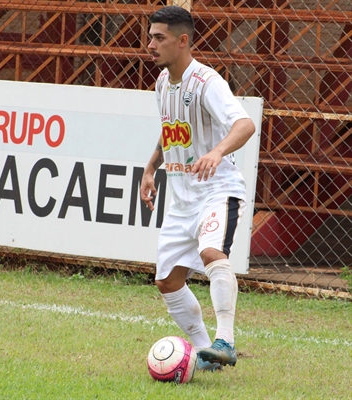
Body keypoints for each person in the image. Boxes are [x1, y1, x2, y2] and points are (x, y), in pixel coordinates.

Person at [140, 5, 255, 372]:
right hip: (182, 198)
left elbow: (244, 124)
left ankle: (226, 341)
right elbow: (170, 130)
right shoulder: (162, 83)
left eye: (159, 38)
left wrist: (218, 152)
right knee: (167, 281)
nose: (150, 45)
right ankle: (208, 353)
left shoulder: (207, 82)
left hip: (217, 190)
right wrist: (150, 168)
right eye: (149, 37)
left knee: (211, 254)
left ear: (183, 40)